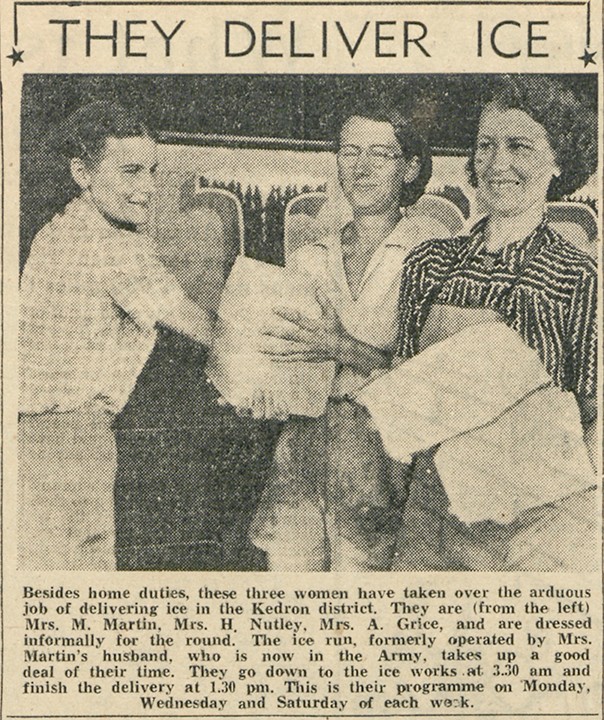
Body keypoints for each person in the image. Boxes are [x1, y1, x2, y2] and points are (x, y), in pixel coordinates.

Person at [386, 76, 598, 571]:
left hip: (535, 521)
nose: (498, 163)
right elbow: (400, 378)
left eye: (519, 146)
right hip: (433, 511)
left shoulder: (578, 274)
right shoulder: (429, 263)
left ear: (558, 163)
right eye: (486, 146)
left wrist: (577, 526)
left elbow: (595, 409)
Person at [19, 102, 215, 570]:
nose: (148, 188)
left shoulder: (69, 226)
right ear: (82, 173)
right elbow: (199, 325)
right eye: (131, 172)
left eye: (152, 171)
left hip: (44, 433)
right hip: (66, 439)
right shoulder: (111, 245)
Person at [247, 108, 435, 571]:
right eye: (350, 152)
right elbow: (284, 361)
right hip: (300, 454)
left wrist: (339, 346)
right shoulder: (311, 255)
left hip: (383, 457)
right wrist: (259, 391)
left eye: (380, 154)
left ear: (409, 168)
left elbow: (432, 375)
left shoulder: (431, 255)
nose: (362, 167)